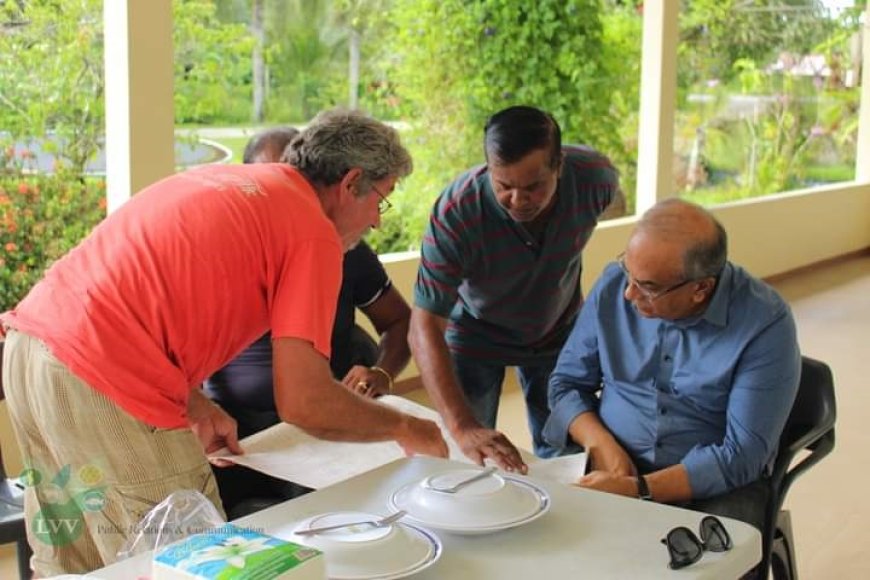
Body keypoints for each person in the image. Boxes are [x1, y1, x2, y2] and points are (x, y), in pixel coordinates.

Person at [0, 108, 447, 577]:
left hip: (29, 353)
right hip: (100, 378)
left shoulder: (227, 182)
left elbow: (136, 297)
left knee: (75, 562)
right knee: (190, 562)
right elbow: (304, 401)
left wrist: (194, 401)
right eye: (382, 198)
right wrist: (406, 427)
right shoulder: (310, 229)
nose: (377, 220)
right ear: (351, 181)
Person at [543, 198, 800, 532]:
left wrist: (640, 489)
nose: (629, 295)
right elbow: (565, 384)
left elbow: (743, 454)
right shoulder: (613, 286)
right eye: (628, 274)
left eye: (648, 287)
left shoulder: (764, 322)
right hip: (608, 459)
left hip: (714, 483)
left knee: (710, 562)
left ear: (700, 289)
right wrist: (603, 446)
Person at [205, 126, 415, 517]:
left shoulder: (341, 246)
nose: (376, 221)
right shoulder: (236, 243)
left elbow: (400, 322)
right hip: (234, 424)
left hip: (319, 426)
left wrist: (381, 373)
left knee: (346, 508)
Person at [408, 105, 620, 472]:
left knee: (566, 455)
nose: (518, 201)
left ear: (559, 165)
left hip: (556, 332)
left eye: (534, 186)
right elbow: (424, 324)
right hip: (475, 337)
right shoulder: (457, 212)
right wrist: (463, 426)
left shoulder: (594, 180)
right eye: (503, 186)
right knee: (469, 457)